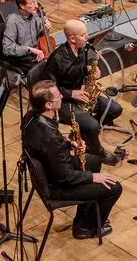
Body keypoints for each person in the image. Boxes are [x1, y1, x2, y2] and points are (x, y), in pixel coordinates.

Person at [23, 80, 122, 239]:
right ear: (48, 105)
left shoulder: (30, 117)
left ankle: (84, 216)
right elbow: (65, 177)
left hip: (51, 170)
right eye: (57, 96)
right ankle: (86, 228)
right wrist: (92, 177)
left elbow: (50, 145)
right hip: (57, 186)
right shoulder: (50, 139)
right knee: (115, 188)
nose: (62, 96)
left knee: (95, 161)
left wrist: (70, 144)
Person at [43, 19, 122, 165]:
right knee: (92, 125)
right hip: (63, 102)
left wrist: (89, 71)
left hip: (80, 96)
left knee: (115, 109)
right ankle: (97, 150)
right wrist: (72, 93)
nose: (87, 37)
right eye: (83, 35)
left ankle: (85, 135)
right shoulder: (57, 58)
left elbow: (82, 69)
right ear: (72, 39)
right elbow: (48, 88)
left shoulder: (82, 49)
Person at [2, 0, 52, 74]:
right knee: (45, 69)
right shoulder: (12, 21)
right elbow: (7, 48)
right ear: (22, 5)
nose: (36, 6)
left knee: (57, 61)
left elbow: (41, 34)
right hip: (19, 57)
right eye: (32, 3)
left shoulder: (35, 14)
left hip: (34, 53)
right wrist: (29, 49)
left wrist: (46, 26)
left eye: (36, 1)